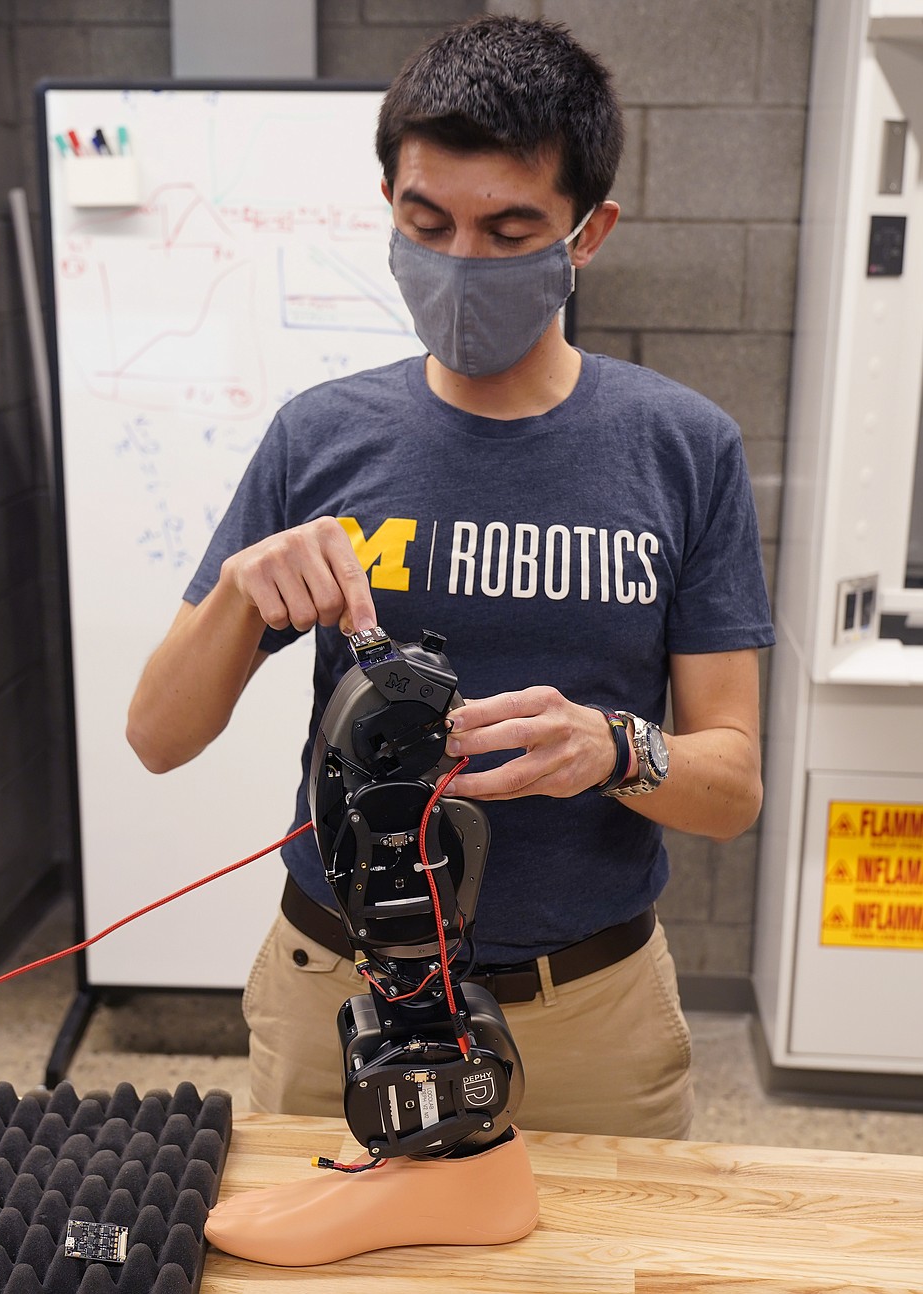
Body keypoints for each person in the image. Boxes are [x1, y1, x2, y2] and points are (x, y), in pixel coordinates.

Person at [127, 14, 774, 1141]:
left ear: (589, 230)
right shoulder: (316, 437)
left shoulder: (684, 446)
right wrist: (240, 587)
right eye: (428, 224)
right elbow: (158, 735)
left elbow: (731, 787)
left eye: (510, 226)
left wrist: (612, 748)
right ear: (389, 208)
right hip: (337, 989)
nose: (463, 263)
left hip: (590, 1013)